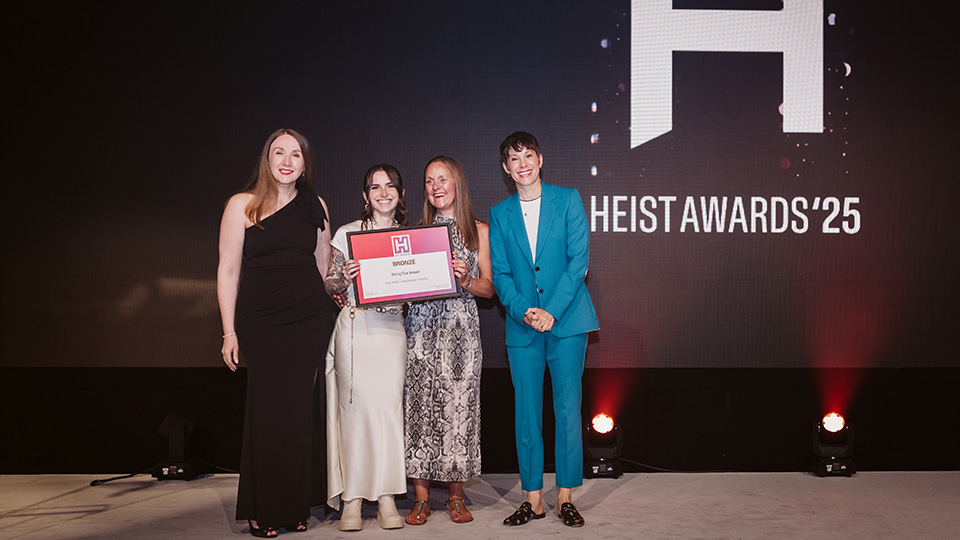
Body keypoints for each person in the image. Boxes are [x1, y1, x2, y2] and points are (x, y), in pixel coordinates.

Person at [217, 128, 332, 538]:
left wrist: (343, 291)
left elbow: (323, 267)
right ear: (266, 160)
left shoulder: (315, 205)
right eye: (278, 152)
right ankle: (262, 508)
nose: (286, 160)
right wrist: (229, 332)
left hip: (309, 320)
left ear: (305, 163)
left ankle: (295, 505)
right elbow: (229, 270)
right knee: (267, 412)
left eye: (295, 154)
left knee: (300, 414)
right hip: (261, 322)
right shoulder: (241, 205)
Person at [488, 132, 599, 528]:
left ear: (540, 159)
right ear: (506, 168)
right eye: (514, 159)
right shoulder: (500, 214)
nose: (522, 164)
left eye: (528, 156)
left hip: (567, 322)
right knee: (526, 413)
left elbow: (578, 262)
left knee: (568, 410)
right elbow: (500, 274)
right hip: (523, 327)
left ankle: (566, 496)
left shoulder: (568, 199)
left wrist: (551, 311)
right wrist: (524, 311)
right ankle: (533, 499)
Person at [403, 156, 495, 525]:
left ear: (457, 183)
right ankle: (421, 498)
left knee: (460, 413)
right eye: (429, 181)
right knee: (420, 411)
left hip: (461, 334)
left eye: (442, 179)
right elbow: (401, 286)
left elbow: (489, 289)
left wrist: (464, 280)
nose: (436, 187)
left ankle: (456, 497)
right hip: (422, 332)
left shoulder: (480, 231)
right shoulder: (414, 233)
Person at [323, 164, 409, 531]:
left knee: (388, 414)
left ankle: (388, 496)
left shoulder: (412, 237)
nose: (383, 192)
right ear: (365, 195)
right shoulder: (347, 234)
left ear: (400, 193)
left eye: (390, 186)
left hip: (391, 332)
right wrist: (344, 277)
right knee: (353, 414)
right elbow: (329, 285)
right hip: (356, 330)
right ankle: (352, 498)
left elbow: (421, 288)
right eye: (375, 187)